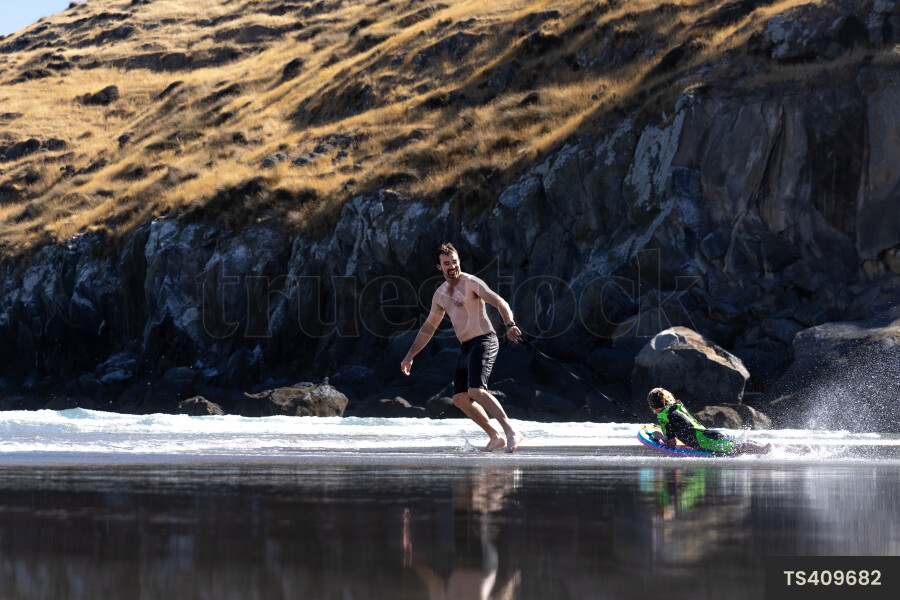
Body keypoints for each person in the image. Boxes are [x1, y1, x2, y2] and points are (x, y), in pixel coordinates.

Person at [401, 243, 524, 453]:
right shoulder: (440, 295)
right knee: (459, 399)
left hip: (485, 340)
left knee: (476, 390)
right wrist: (410, 355)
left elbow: (499, 302)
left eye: (455, 262)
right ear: (439, 267)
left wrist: (510, 324)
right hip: (467, 347)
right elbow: (428, 328)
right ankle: (495, 436)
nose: (452, 266)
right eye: (447, 263)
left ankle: (511, 431)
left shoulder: (471, 283)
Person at [647, 387, 774, 455]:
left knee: (738, 447)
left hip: (705, 440)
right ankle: (788, 449)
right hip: (710, 434)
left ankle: (764, 449)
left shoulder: (663, 416)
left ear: (653, 406)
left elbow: (671, 443)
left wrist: (658, 435)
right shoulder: (677, 408)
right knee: (742, 443)